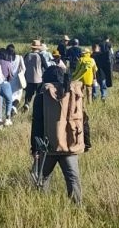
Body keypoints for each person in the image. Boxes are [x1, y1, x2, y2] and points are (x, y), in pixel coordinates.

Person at [30, 63, 90, 203]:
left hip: (47, 147)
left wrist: (34, 147)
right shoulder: (74, 94)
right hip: (70, 145)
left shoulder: (42, 96)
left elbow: (37, 123)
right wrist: (86, 142)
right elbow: (83, 120)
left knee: (40, 177)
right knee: (73, 180)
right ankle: (77, 209)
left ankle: (42, 205)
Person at [0, 47, 16, 126]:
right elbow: (11, 75)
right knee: (9, 100)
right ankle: (8, 118)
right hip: (5, 83)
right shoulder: (8, 63)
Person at [24, 40, 46, 108]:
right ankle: (37, 106)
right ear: (39, 47)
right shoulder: (40, 56)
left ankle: (27, 104)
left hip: (28, 78)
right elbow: (46, 66)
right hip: (38, 78)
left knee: (28, 94)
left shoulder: (27, 55)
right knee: (38, 94)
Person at [7, 43, 26, 115]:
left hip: (9, 79)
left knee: (10, 96)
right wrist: (21, 74)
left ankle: (10, 109)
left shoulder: (7, 58)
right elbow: (24, 68)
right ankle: (13, 107)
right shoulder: (19, 57)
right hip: (18, 79)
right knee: (18, 96)